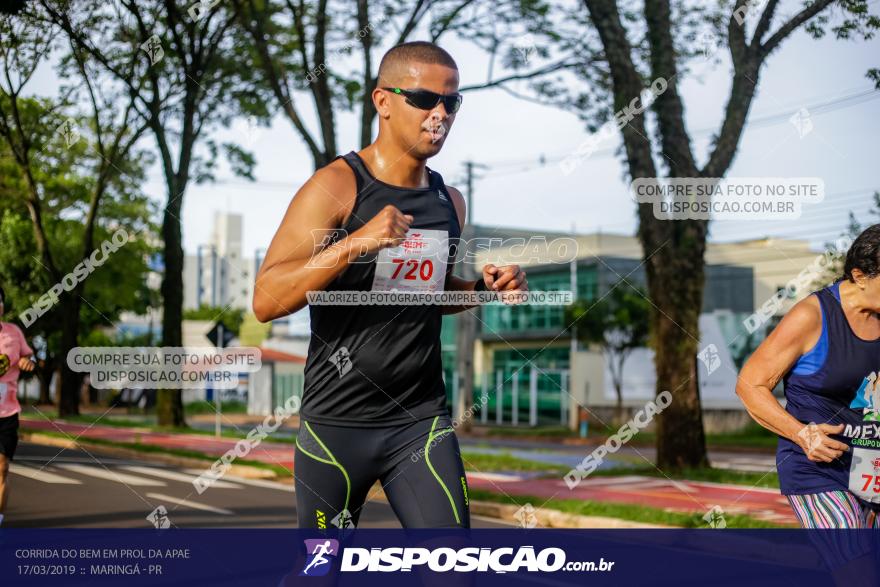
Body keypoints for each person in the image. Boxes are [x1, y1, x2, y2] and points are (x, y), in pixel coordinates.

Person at [254, 41, 527, 529]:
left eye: (452, 102)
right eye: (425, 99)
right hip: (337, 425)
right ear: (383, 102)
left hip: (420, 422)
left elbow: (426, 296)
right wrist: (356, 242)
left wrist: (485, 290)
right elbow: (266, 300)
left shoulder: (450, 201)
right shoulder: (336, 186)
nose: (440, 114)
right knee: (322, 574)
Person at [737, 225, 880, 528]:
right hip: (819, 469)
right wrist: (801, 434)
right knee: (857, 566)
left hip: (872, 470)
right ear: (859, 276)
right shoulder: (813, 316)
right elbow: (751, 384)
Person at [0, 285, 36, 527]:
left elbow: (29, 356)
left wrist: (27, 361)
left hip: (7, 412)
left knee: (2, 468)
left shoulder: (14, 333)